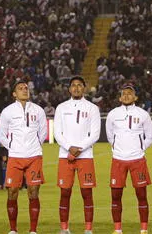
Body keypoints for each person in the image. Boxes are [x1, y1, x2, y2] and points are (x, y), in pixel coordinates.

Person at [0, 81, 48, 234]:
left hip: (34, 156)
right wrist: (12, 147)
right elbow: (1, 134)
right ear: (14, 94)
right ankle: (13, 229)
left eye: (26, 88)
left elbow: (43, 133)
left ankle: (33, 230)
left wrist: (34, 146)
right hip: (15, 157)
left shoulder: (38, 110)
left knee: (33, 191)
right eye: (20, 88)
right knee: (12, 191)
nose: (24, 90)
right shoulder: (7, 111)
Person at [53, 76, 101, 234]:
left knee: (86, 193)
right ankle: (64, 228)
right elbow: (57, 133)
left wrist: (80, 148)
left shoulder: (92, 108)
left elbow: (95, 134)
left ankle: (88, 229)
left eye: (80, 85)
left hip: (85, 156)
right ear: (69, 89)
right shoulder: (61, 107)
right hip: (64, 155)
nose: (76, 88)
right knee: (65, 192)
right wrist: (69, 147)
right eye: (73, 85)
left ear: (84, 88)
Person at [106, 83, 152, 234]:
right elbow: (109, 135)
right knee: (115, 195)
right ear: (120, 97)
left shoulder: (143, 114)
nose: (126, 95)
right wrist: (117, 147)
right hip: (118, 160)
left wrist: (139, 149)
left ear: (135, 97)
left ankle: (144, 229)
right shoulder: (113, 114)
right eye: (124, 93)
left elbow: (150, 137)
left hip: (137, 160)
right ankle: (118, 229)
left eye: (130, 93)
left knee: (141, 195)